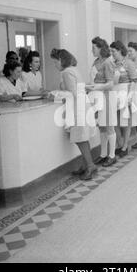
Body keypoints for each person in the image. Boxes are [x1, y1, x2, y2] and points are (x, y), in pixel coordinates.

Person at [50, 48, 98, 180]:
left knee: (80, 138)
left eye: (55, 62)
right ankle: (86, 165)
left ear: (60, 60)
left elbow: (72, 92)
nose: (55, 65)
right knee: (83, 137)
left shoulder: (66, 72)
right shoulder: (73, 69)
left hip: (78, 107)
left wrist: (55, 95)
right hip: (84, 104)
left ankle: (90, 166)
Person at [86, 37, 117, 167]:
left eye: (94, 47)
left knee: (109, 126)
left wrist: (96, 87)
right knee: (102, 126)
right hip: (97, 96)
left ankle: (112, 155)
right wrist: (89, 87)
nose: (92, 50)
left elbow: (110, 83)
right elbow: (95, 80)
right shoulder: (96, 61)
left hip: (107, 96)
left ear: (100, 48)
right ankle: (103, 154)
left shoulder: (108, 62)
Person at [110, 41, 137, 158]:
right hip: (114, 93)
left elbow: (134, 80)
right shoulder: (112, 64)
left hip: (125, 92)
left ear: (120, 50)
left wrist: (130, 96)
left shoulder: (128, 63)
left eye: (113, 51)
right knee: (115, 120)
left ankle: (125, 146)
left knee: (125, 120)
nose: (112, 53)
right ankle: (120, 143)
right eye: (111, 51)